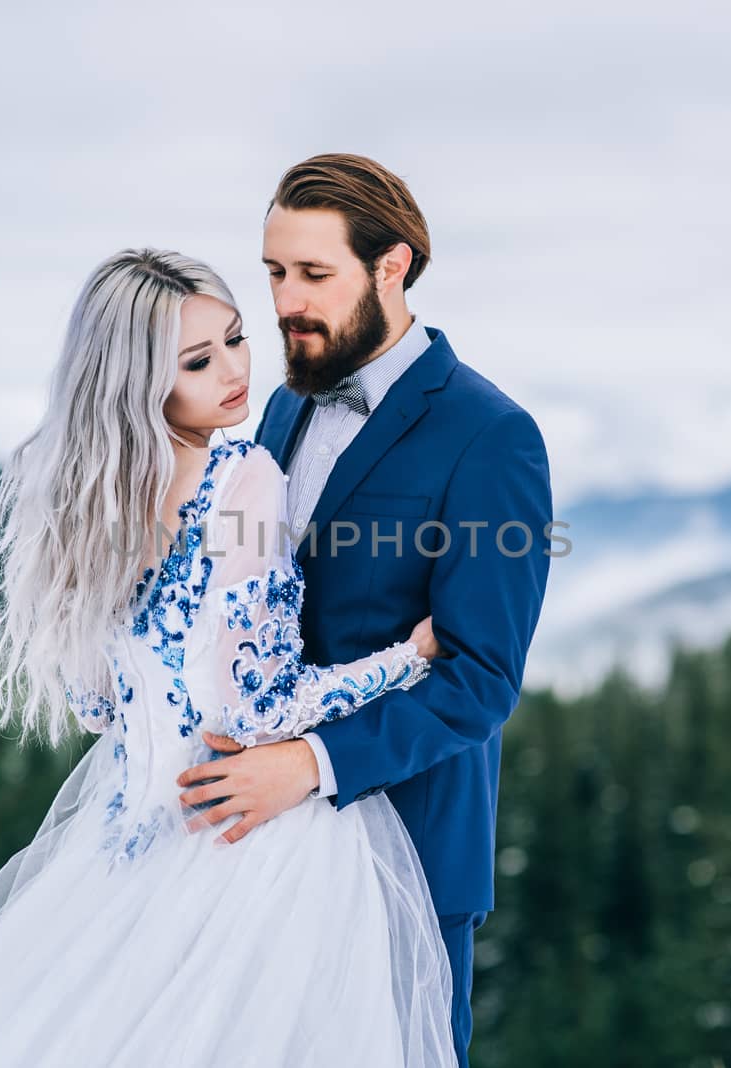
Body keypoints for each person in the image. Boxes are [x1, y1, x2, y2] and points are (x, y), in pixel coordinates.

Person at [0, 249, 457, 1067]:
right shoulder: (243, 477)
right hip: (248, 835)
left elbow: (99, 705)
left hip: (122, 843)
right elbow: (259, 705)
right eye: (196, 360)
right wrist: (404, 658)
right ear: (137, 381)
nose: (233, 370)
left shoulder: (82, 498)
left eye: (235, 339)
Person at [175, 154, 554, 1068]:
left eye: (315, 275)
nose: (287, 302)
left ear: (394, 266)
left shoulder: (492, 437)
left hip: (406, 861)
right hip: (247, 850)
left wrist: (308, 764)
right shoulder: (277, 409)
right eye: (274, 272)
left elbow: (480, 678)